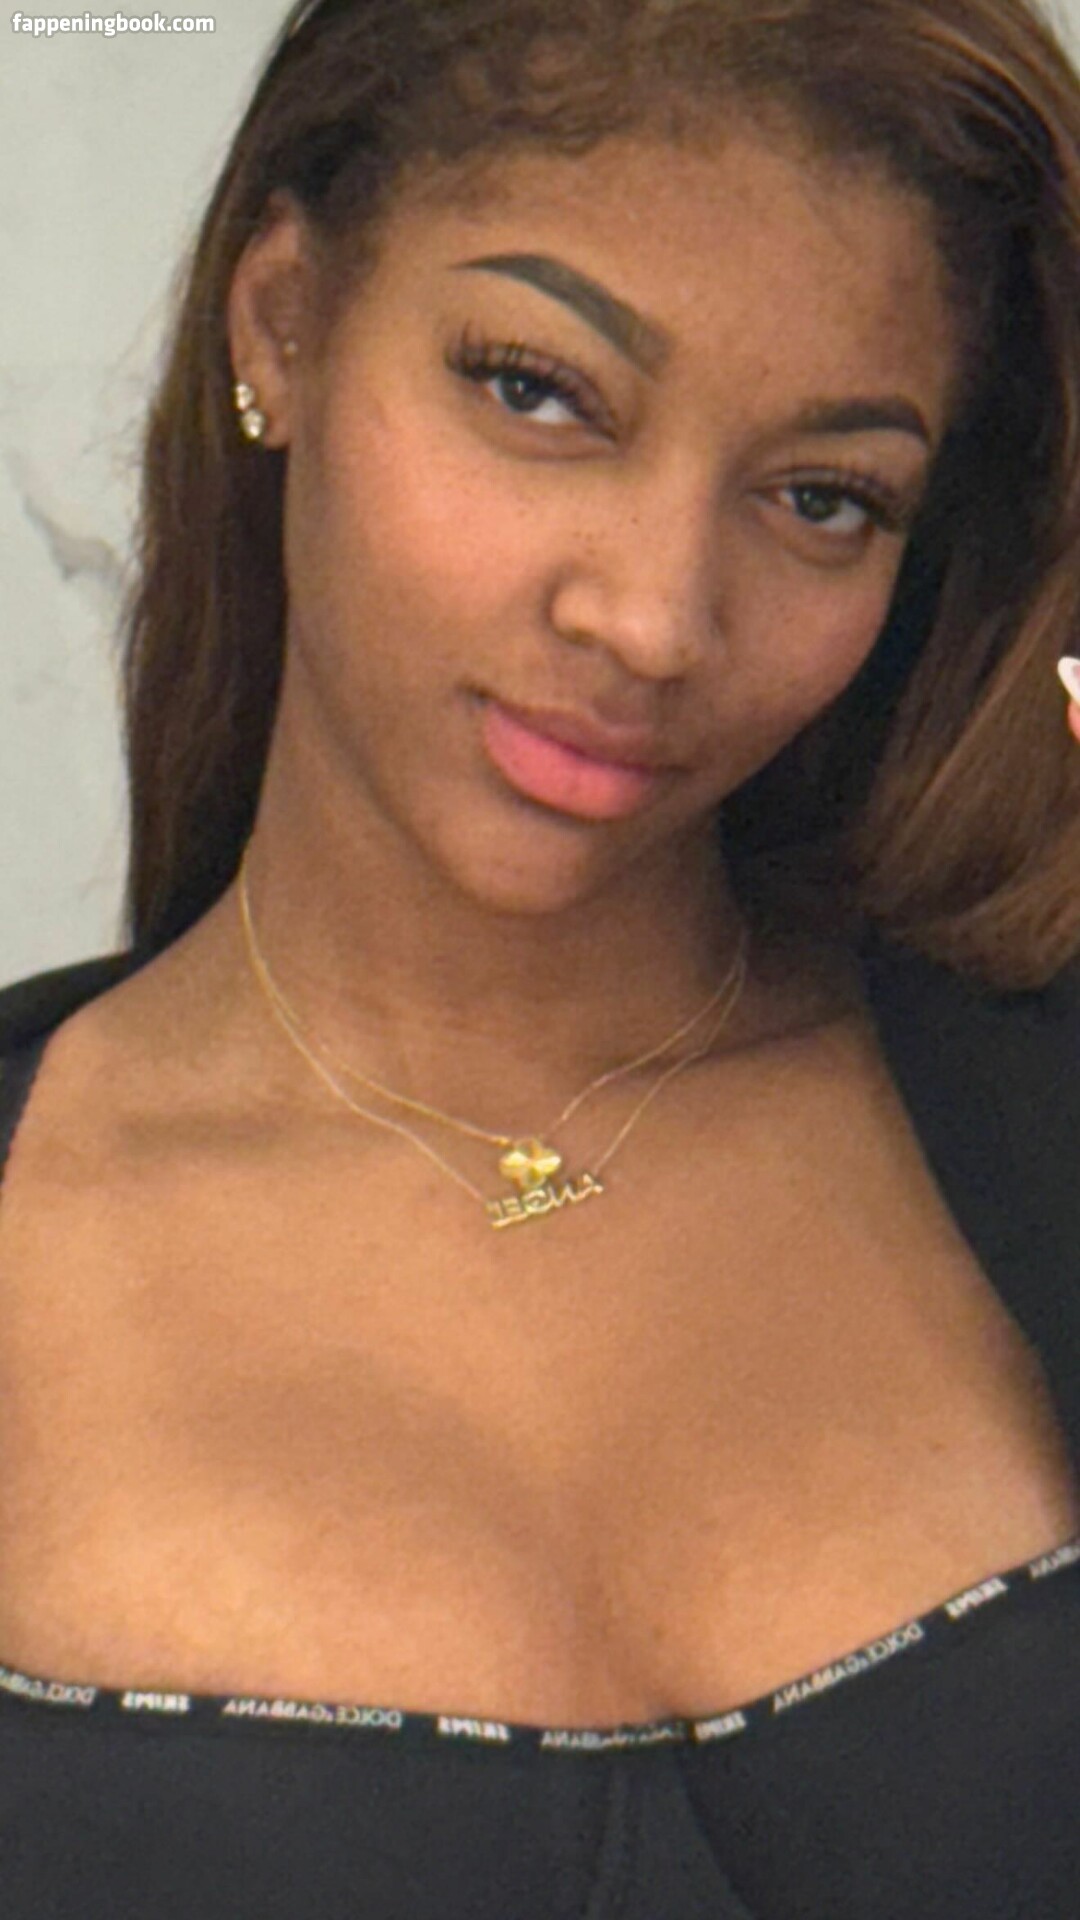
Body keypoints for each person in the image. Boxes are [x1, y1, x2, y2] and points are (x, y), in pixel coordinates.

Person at [1, 0, 1079, 1912]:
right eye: (540, 391)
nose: (656, 618)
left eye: (822, 497)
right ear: (282, 324)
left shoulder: (1039, 1086)